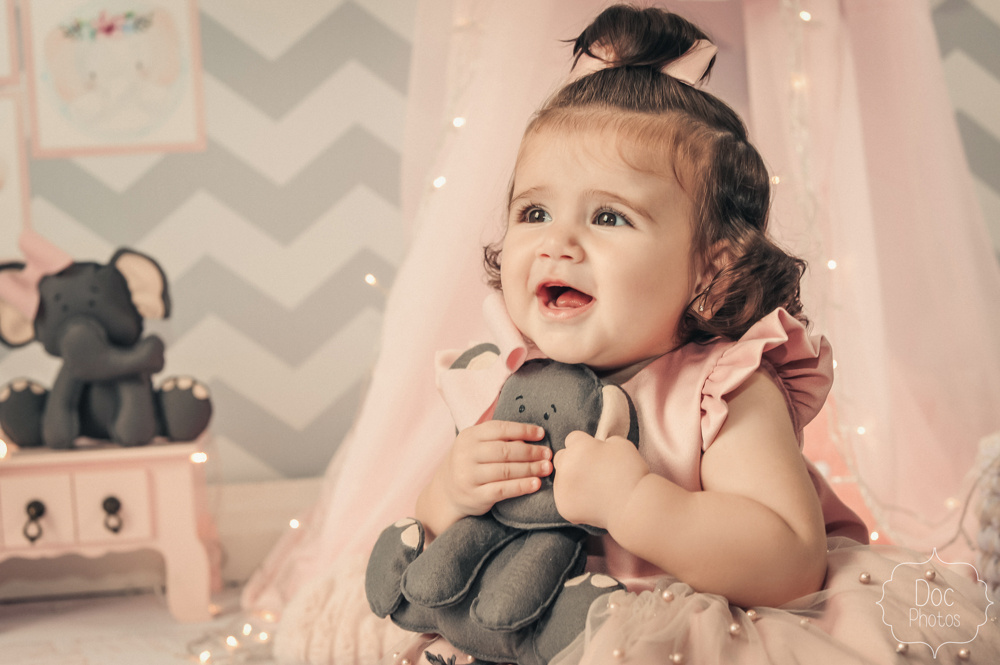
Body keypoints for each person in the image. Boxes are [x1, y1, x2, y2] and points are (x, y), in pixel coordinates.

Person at [381, 5, 997, 665]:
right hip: (532, 621)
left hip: (696, 627)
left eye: (609, 217)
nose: (557, 242)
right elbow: (450, 534)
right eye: (534, 211)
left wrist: (637, 502)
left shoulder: (722, 388)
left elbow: (791, 561)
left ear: (710, 268)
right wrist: (452, 490)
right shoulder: (511, 375)